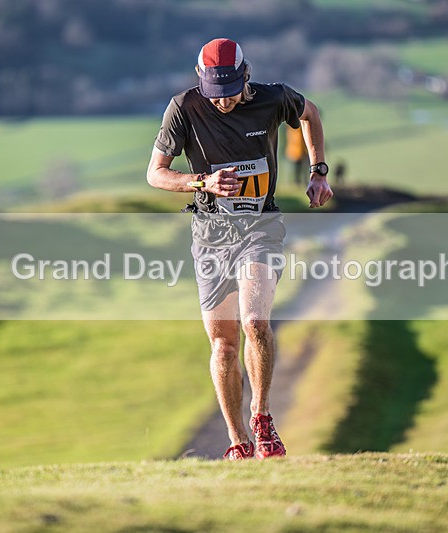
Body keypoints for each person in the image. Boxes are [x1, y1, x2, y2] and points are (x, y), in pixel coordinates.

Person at [146, 38, 332, 461]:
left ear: (245, 77)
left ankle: (262, 417)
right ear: (201, 81)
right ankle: (237, 443)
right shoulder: (184, 108)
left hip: (260, 229)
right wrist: (202, 183)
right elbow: (155, 174)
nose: (223, 102)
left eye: (230, 92)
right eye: (215, 94)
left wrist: (318, 171)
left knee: (254, 321)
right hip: (210, 236)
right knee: (223, 346)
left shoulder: (272, 98)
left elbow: (310, 113)